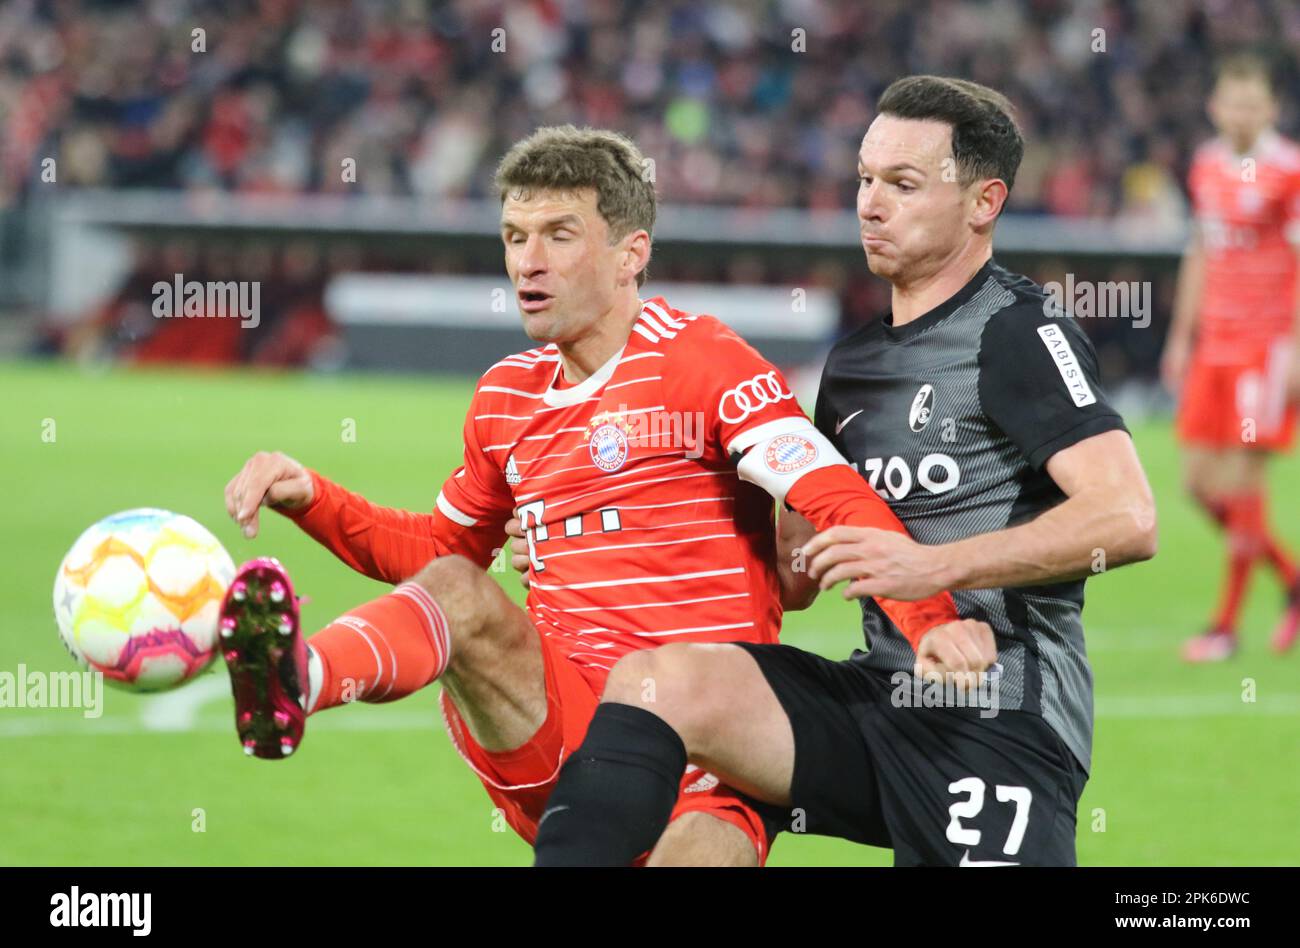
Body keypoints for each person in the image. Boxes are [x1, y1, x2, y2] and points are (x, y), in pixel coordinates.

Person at [218, 125, 990, 866]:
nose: (529, 262)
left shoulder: (705, 363)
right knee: (456, 586)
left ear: (631, 254)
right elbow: (438, 557)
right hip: (562, 721)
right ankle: (296, 680)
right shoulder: (504, 399)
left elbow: (830, 492)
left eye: (558, 234)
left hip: (713, 756)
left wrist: (929, 619)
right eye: (515, 237)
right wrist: (311, 496)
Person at [532, 76, 1158, 867]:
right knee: (661, 684)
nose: (869, 203)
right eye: (864, 178)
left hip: (999, 718)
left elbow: (1128, 518)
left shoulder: (1018, 333)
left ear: (983, 202)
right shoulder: (855, 364)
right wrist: (593, 526)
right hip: (876, 701)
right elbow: (796, 577)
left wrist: (933, 565)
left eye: (902, 184)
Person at [1160, 54, 1300, 662]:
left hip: (1264, 347)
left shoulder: (1288, 171)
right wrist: (1180, 336)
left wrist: (1294, 347)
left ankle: (1224, 627)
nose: (1240, 112)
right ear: (1216, 106)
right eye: (1231, 100)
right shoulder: (1207, 165)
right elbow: (1200, 252)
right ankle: (1293, 580)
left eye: (1253, 101)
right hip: (1213, 344)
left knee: (1244, 485)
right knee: (1196, 483)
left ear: (1271, 108)